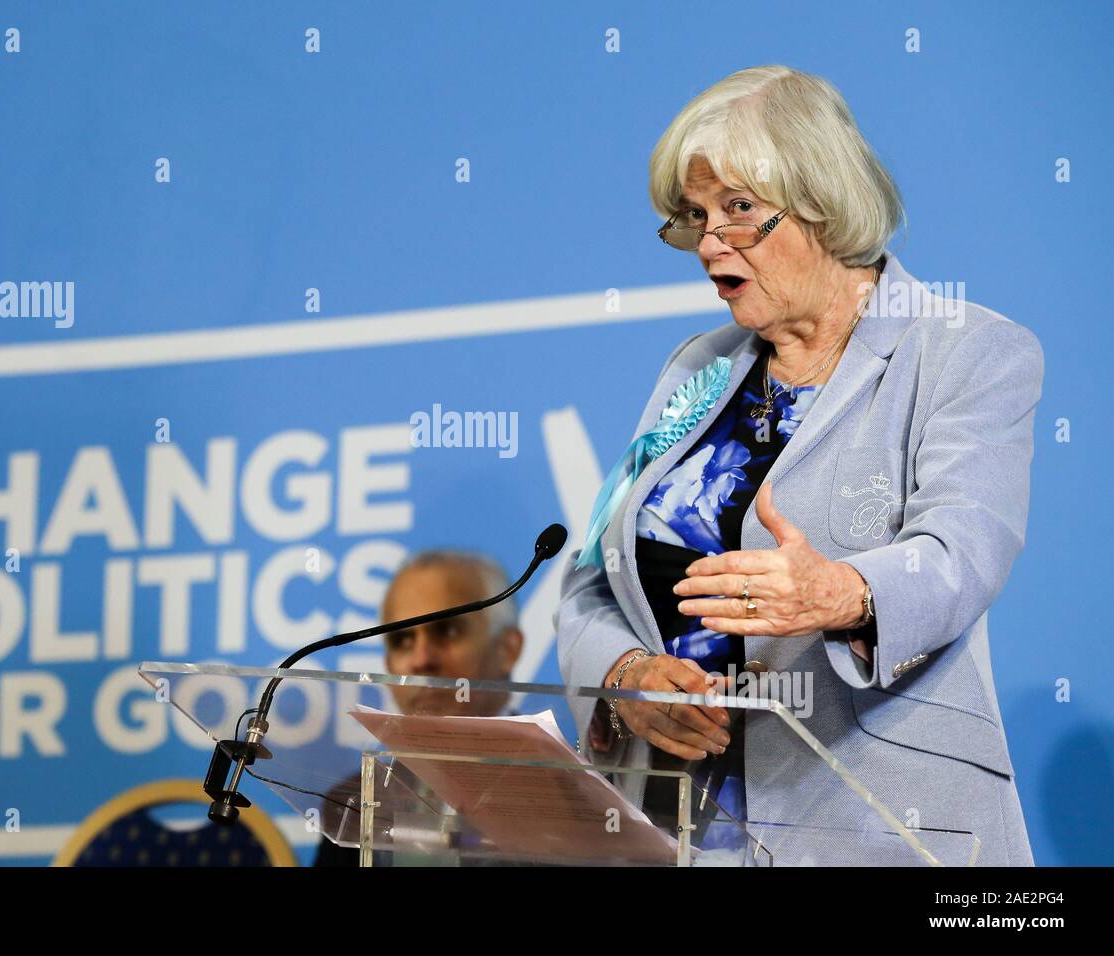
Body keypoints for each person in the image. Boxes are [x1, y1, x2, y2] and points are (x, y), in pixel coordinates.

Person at [556, 65, 1042, 866]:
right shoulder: (696, 369)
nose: (710, 242)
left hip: (883, 824)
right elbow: (591, 580)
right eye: (695, 217)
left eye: (739, 211)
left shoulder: (965, 350)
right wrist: (627, 672)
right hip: (681, 825)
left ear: (822, 201)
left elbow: (962, 553)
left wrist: (838, 593)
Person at [312, 550, 523, 865]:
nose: (421, 659)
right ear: (387, 665)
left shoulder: (572, 793)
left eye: (448, 631)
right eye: (402, 641)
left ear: (507, 649)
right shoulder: (354, 802)